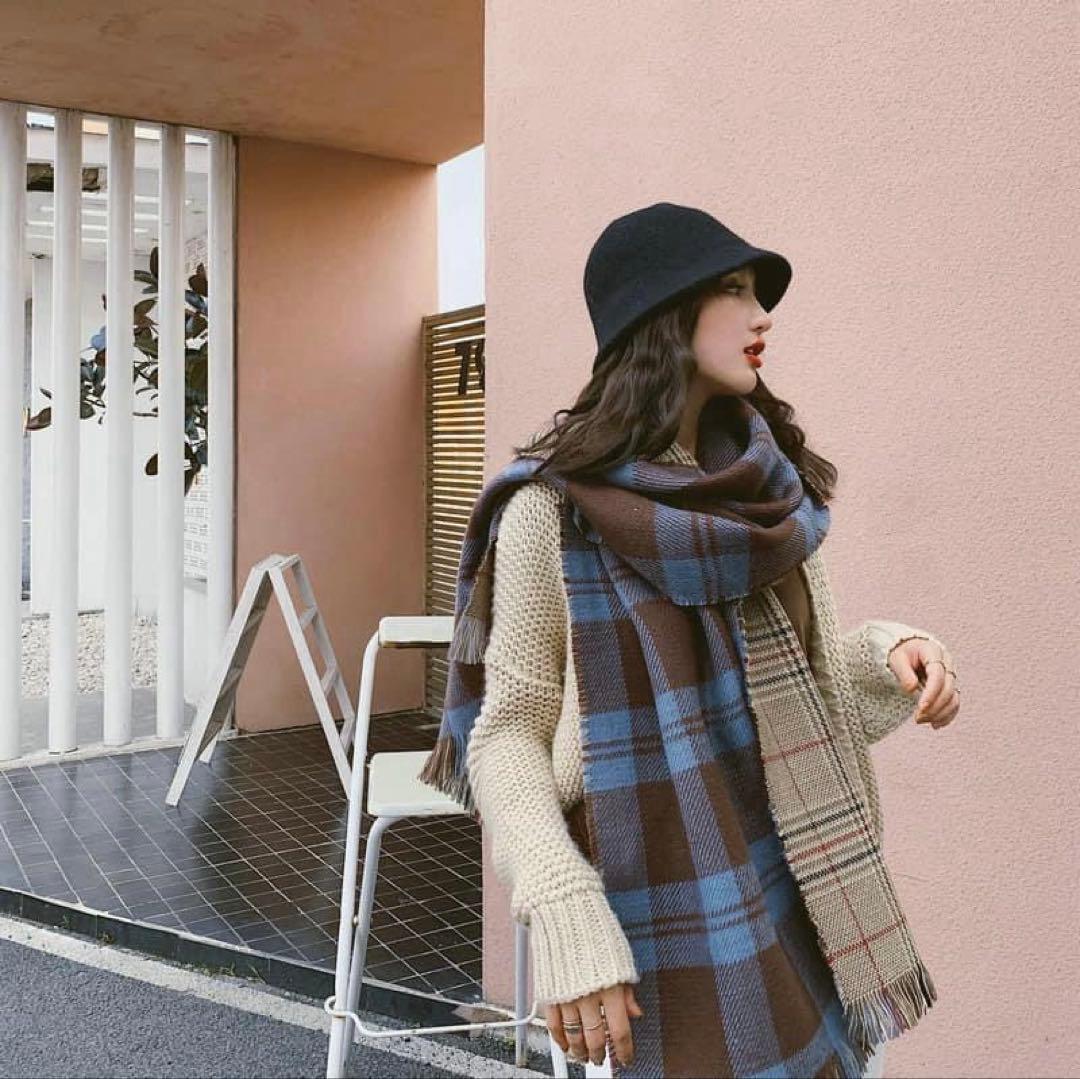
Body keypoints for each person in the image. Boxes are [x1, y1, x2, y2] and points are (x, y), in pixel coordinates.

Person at [419, 203, 959, 1078]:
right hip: (650, 913)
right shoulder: (550, 512)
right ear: (661, 315)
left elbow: (799, 688)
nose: (762, 314)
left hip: (805, 888)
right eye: (734, 290)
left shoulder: (768, 494)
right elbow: (508, 732)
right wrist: (561, 900)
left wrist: (887, 654)